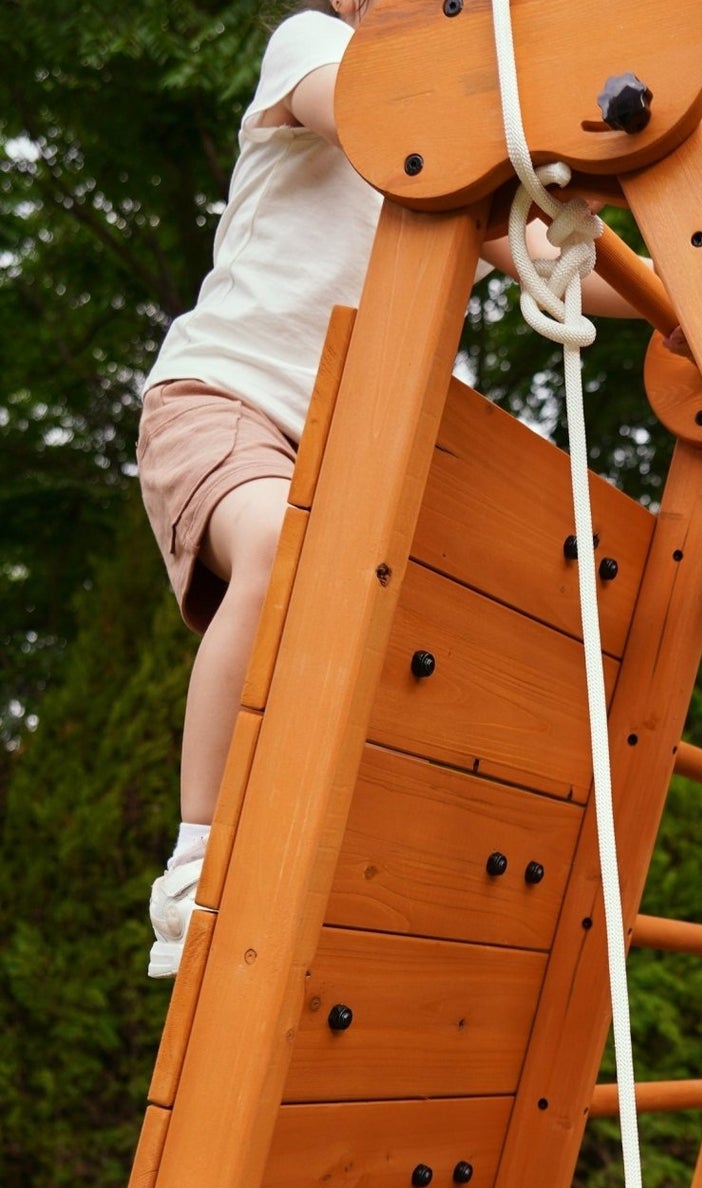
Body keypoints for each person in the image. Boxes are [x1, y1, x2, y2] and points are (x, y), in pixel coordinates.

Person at [138, 0, 638, 975]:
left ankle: (308, 847)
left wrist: (681, 298)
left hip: (345, 445)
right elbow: (370, 116)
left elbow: (547, 267)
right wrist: (530, 131)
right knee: (277, 550)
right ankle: (196, 853)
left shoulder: (451, 169)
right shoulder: (324, 53)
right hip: (224, 394)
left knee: (380, 644)